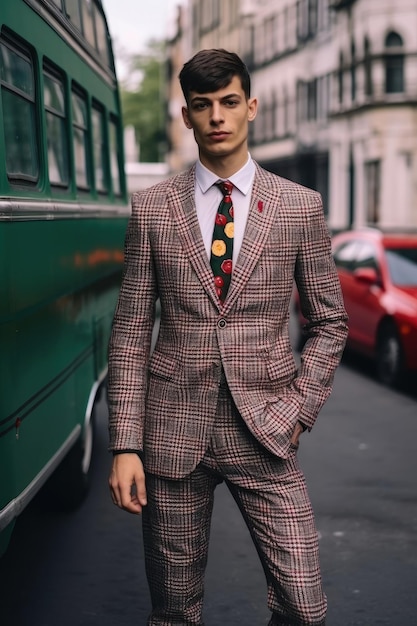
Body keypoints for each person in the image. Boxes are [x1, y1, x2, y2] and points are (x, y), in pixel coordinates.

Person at [107, 48, 348, 626]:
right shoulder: (153, 209)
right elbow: (132, 331)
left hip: (265, 430)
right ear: (187, 117)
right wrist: (124, 443)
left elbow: (329, 321)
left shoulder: (298, 207)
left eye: (229, 102)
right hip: (171, 435)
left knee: (303, 604)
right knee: (174, 611)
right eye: (202, 105)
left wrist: (297, 409)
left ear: (252, 108)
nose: (217, 116)